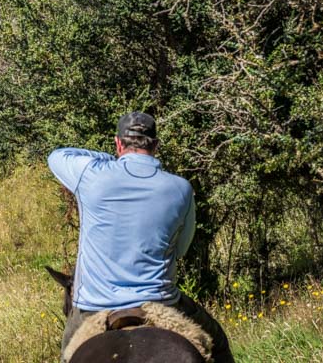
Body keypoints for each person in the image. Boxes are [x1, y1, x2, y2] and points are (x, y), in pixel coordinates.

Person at [48, 112, 233, 363]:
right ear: (156, 145)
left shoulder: (90, 176)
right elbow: (181, 250)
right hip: (160, 302)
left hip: (94, 306)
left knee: (67, 353)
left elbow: (57, 156)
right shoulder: (181, 188)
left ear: (118, 143)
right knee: (217, 342)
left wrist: (108, 160)